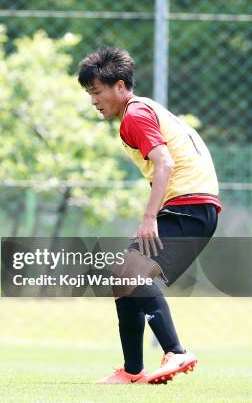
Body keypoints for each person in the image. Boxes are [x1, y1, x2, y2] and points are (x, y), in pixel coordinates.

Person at [77, 47, 221, 384]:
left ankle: (176, 351)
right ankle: (132, 371)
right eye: (89, 94)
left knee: (129, 274)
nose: (94, 101)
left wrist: (149, 217)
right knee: (123, 275)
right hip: (195, 203)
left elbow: (165, 163)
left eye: (97, 92)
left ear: (121, 86)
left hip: (189, 204)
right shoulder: (144, 110)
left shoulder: (135, 115)